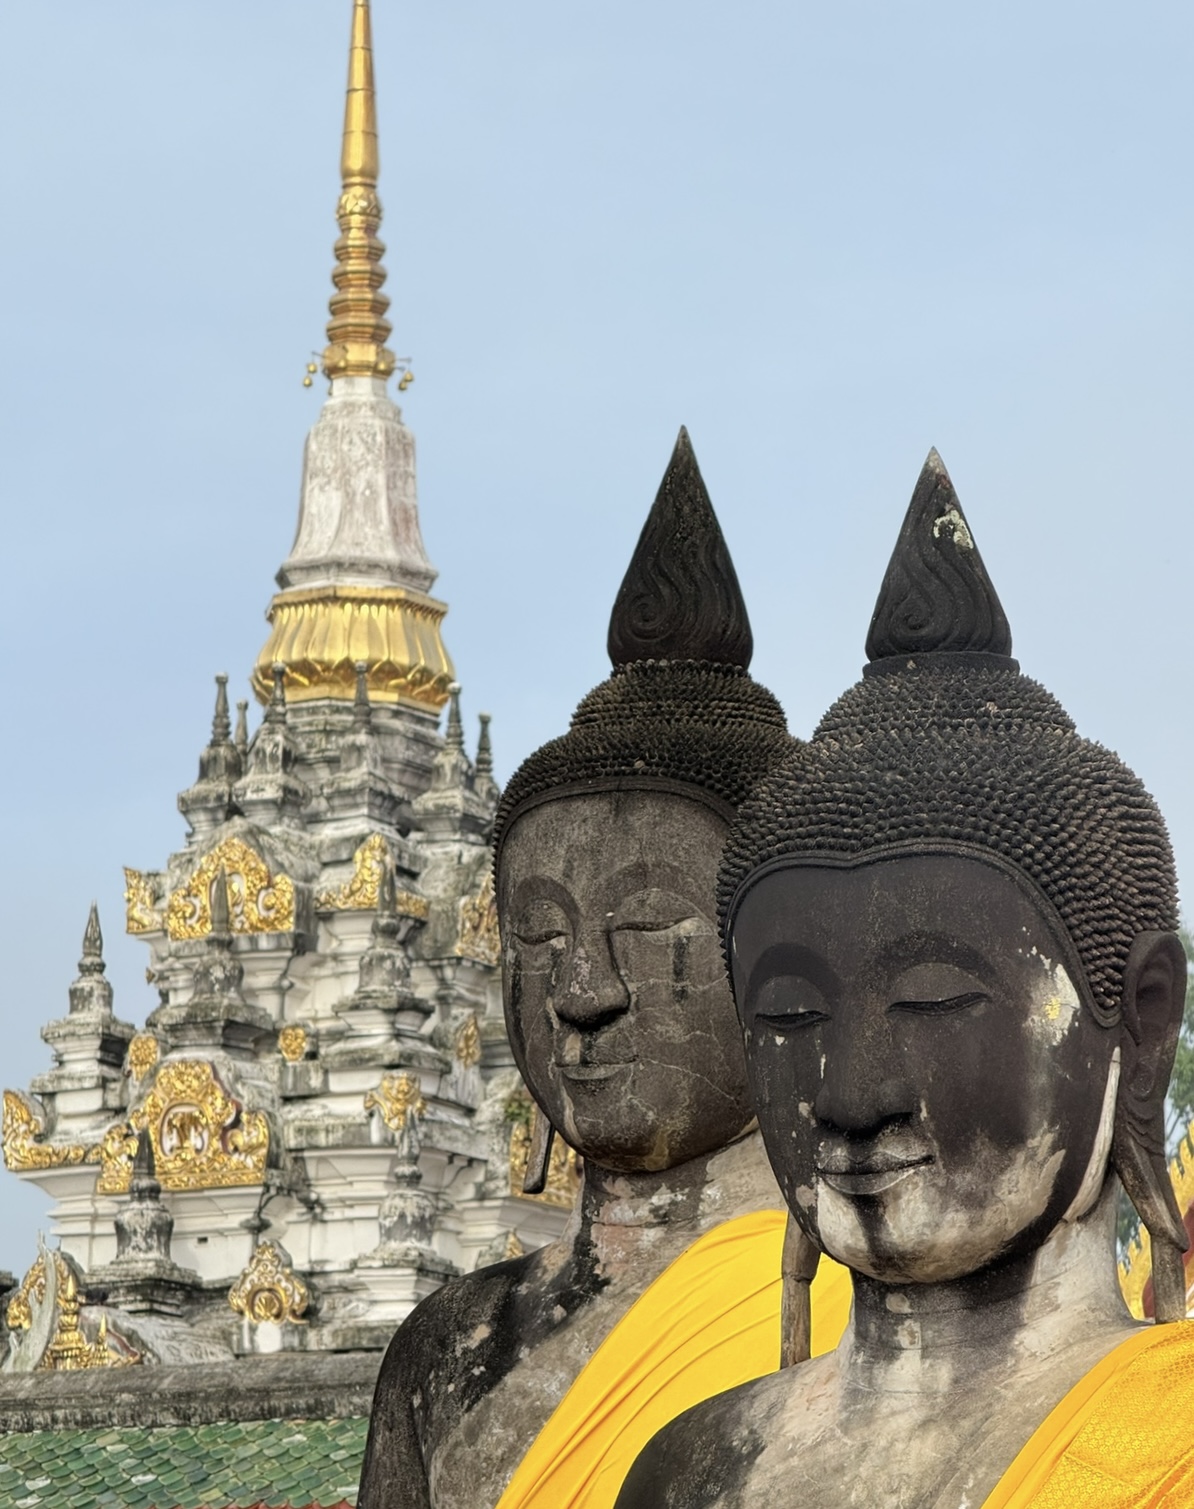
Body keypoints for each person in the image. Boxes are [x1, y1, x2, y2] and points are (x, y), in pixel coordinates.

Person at [616, 449, 1194, 1509]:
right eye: (790, 1015)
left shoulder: (1175, 1450)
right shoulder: (688, 1474)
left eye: (932, 1000)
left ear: (1141, 1021)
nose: (848, 1097)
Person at [357, 429, 850, 1509]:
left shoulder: (891, 1318)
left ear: (794, 974)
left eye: (649, 928)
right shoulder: (450, 1349)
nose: (584, 991)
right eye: (538, 939)